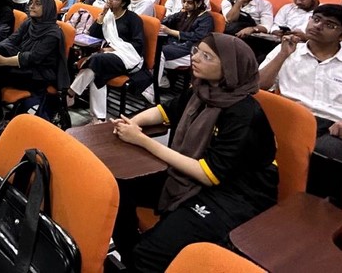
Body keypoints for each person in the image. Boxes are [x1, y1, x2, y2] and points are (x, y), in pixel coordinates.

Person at [111, 33, 278, 271]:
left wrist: (142, 141)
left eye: (206, 56)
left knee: (149, 253)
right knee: (117, 188)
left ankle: (144, 258)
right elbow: (163, 111)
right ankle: (133, 258)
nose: (196, 58)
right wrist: (134, 123)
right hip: (189, 173)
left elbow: (208, 173)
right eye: (197, 51)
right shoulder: (203, 89)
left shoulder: (244, 114)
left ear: (230, 68)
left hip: (234, 195)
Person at [259, 4, 342, 202]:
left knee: (327, 152)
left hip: (337, 128)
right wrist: (282, 55)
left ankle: (314, 210)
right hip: (293, 120)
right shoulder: (288, 51)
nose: (318, 26)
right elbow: (258, 87)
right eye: (316, 19)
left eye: (329, 25)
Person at [0, 0, 69, 138]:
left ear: (47, 8)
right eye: (31, 2)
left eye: (37, 3)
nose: (32, 6)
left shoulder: (53, 34)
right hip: (22, 66)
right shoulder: (30, 23)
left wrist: (3, 61)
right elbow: (12, 39)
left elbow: (33, 58)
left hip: (38, 74)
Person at [68, 0, 145, 123]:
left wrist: (113, 50)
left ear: (123, 2)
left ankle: (71, 92)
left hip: (128, 57)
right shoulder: (108, 15)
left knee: (97, 59)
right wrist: (102, 14)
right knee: (99, 72)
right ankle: (99, 119)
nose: (109, 0)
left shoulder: (133, 19)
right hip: (106, 58)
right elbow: (93, 34)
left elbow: (138, 45)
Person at [146, 0, 215, 102]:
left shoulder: (205, 18)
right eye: (183, 1)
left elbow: (198, 37)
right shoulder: (183, 13)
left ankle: (152, 90)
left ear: (198, 3)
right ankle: (158, 80)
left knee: (159, 53)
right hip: (175, 44)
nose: (185, 5)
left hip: (190, 49)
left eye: (189, 2)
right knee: (150, 48)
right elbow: (167, 20)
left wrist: (171, 32)